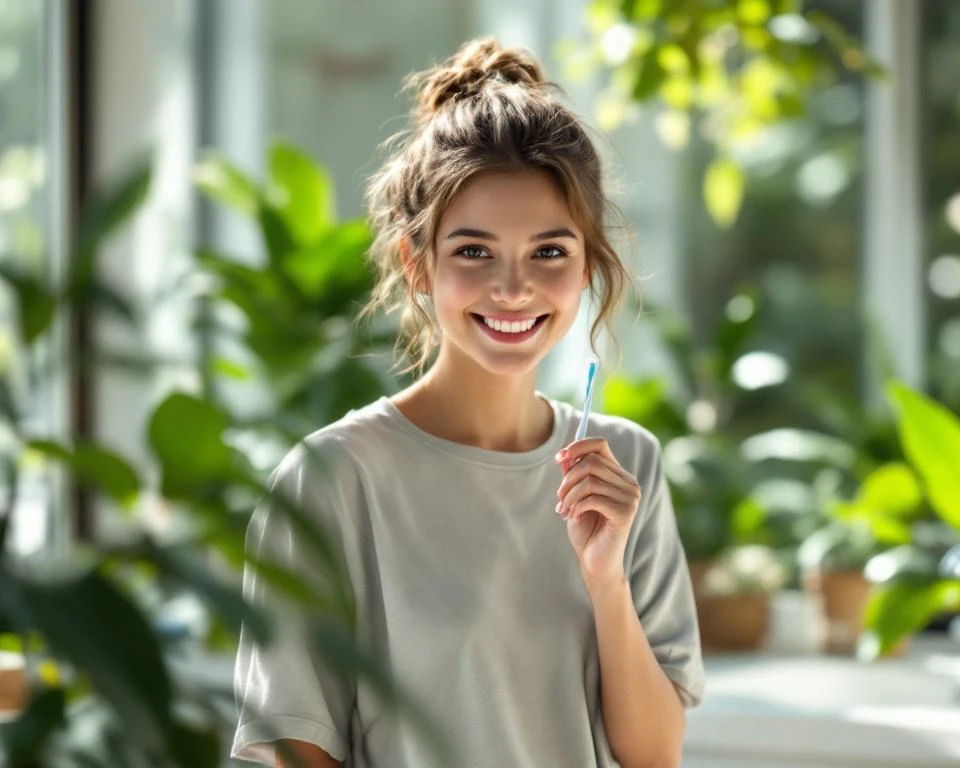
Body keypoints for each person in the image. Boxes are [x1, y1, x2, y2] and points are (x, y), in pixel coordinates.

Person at [231, 37, 704, 768]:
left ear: (586, 266)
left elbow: (653, 755)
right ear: (418, 263)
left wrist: (606, 582)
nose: (513, 289)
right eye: (474, 252)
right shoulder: (332, 480)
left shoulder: (624, 465)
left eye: (549, 252)